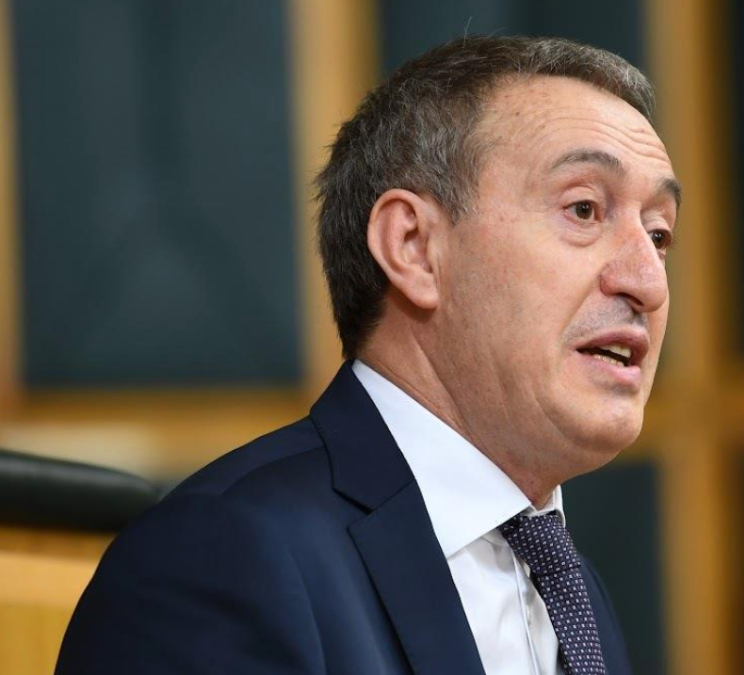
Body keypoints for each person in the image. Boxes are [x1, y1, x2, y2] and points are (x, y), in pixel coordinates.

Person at [56, 35, 678, 675]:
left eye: (659, 235)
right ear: (414, 247)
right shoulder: (222, 557)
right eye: (583, 209)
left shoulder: (573, 590)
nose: (648, 283)